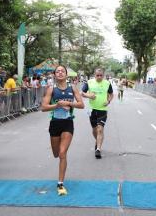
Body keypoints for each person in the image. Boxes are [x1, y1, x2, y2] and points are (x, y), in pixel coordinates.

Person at [40, 65, 84, 196]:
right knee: (55, 153)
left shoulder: (73, 88)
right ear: (54, 75)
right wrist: (57, 105)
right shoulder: (51, 89)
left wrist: (69, 104)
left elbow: (81, 104)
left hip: (67, 123)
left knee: (62, 153)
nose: (60, 73)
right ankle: (58, 152)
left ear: (66, 74)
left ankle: (60, 183)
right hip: (55, 124)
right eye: (57, 71)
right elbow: (43, 107)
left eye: (62, 71)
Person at [81, 68, 114, 159]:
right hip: (92, 109)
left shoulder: (107, 83)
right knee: (94, 129)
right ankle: (98, 141)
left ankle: (98, 149)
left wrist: (108, 101)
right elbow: (82, 93)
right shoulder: (89, 82)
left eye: (101, 75)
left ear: (103, 75)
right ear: (94, 75)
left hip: (102, 109)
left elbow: (111, 94)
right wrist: (89, 95)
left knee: (100, 129)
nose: (99, 77)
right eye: (97, 75)